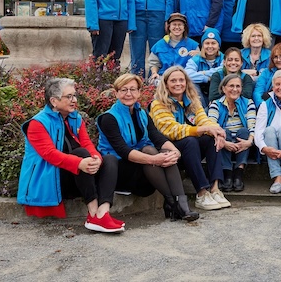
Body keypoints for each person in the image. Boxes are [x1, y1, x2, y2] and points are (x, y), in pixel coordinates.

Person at [17, 78, 123, 232]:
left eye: (74, 96)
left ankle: (102, 213)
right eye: (69, 97)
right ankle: (93, 212)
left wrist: (96, 159)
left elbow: (87, 143)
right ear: (54, 101)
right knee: (81, 154)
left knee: (109, 159)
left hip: (79, 174)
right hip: (53, 179)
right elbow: (50, 155)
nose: (74, 100)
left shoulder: (75, 118)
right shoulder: (37, 124)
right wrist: (79, 163)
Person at [96, 74, 199, 222]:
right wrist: (154, 159)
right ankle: (174, 204)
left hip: (143, 167)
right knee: (150, 152)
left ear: (139, 92)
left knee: (164, 152)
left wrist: (175, 152)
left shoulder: (142, 113)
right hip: (120, 170)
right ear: (117, 93)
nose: (128, 94)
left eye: (133, 89)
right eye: (124, 90)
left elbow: (155, 136)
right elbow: (123, 150)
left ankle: (179, 204)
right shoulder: (108, 118)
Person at [149, 67, 231, 211]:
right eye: (173, 81)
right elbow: (171, 130)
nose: (178, 84)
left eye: (181, 80)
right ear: (166, 84)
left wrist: (217, 132)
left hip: (189, 149)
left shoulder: (192, 101)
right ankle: (201, 193)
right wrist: (202, 129)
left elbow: (204, 120)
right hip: (168, 149)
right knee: (191, 140)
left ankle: (215, 189)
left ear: (186, 83)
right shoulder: (158, 103)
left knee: (211, 139)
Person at [208, 74, 256, 193]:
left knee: (244, 131)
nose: (235, 89)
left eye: (238, 86)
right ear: (223, 88)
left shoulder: (248, 103)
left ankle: (239, 173)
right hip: (223, 144)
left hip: (243, 144)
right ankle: (227, 173)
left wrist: (249, 142)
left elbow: (252, 126)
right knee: (223, 131)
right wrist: (224, 142)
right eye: (231, 86)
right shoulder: (216, 104)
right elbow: (211, 125)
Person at [147, 13, 200, 85]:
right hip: (164, 78)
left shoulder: (193, 45)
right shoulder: (159, 45)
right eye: (174, 24)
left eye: (180, 25)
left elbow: (199, 64)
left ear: (184, 27)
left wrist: (199, 56)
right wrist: (154, 73)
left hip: (185, 79)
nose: (177, 27)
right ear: (169, 27)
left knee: (197, 93)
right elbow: (154, 63)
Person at [185, 26, 223, 104]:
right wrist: (206, 78)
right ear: (202, 45)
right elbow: (187, 75)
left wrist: (204, 73)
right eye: (207, 43)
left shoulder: (225, 58)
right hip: (201, 92)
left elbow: (223, 70)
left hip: (219, 91)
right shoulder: (195, 59)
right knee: (192, 85)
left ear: (218, 46)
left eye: (213, 43)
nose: (210, 46)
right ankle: (201, 111)